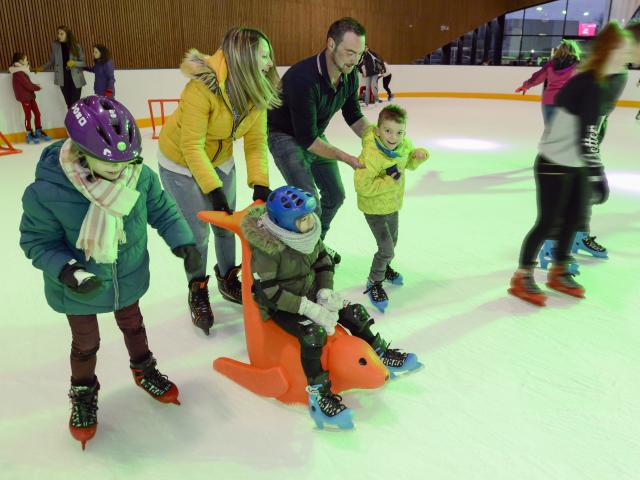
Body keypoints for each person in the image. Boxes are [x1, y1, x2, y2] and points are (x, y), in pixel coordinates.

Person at [19, 96, 201, 449]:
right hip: (78, 286)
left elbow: (161, 210)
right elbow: (36, 241)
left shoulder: (139, 175)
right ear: (81, 151)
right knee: (86, 344)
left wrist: (184, 243)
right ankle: (83, 393)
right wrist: (68, 271)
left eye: (125, 160)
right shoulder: (47, 192)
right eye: (108, 162)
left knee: (133, 324)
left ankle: (143, 370)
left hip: (127, 274)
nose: (120, 170)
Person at [241, 186, 422, 429]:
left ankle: (378, 351)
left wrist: (325, 291)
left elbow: (323, 262)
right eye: (303, 219)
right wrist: (305, 307)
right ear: (286, 224)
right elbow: (269, 292)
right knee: (313, 334)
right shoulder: (268, 251)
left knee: (354, 312)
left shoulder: (308, 235)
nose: (310, 221)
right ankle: (318, 391)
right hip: (282, 306)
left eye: (309, 215)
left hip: (311, 293)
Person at [158, 28, 280, 335]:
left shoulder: (258, 88)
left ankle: (228, 279)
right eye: (263, 56)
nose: (269, 62)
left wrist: (260, 183)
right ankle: (197, 287)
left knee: (226, 226)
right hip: (180, 164)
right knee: (197, 234)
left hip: (220, 160)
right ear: (244, 59)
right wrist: (213, 190)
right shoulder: (201, 89)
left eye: (268, 54)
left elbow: (255, 141)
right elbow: (191, 146)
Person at [508, 23, 635, 307]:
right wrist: (597, 174)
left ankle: (559, 269)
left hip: (576, 160)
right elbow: (586, 132)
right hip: (554, 160)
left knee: (575, 217)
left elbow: (592, 129)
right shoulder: (590, 80)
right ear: (615, 49)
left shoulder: (614, 76)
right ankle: (522, 274)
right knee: (549, 221)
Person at [267, 17, 370, 264]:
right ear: (331, 44)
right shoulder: (304, 78)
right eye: (349, 52)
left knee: (335, 195)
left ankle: (315, 248)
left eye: (359, 54)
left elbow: (354, 116)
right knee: (309, 205)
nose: (354, 60)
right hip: (285, 136)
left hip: (311, 134)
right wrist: (347, 158)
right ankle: (306, 257)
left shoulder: (349, 75)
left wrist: (380, 141)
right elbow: (307, 140)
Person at [354, 105, 428, 312]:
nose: (393, 137)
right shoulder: (371, 155)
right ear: (377, 131)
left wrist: (417, 156)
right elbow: (362, 186)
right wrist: (388, 180)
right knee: (386, 249)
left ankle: (384, 269)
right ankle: (374, 281)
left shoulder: (404, 146)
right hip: (374, 208)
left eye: (399, 132)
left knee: (392, 243)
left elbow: (408, 165)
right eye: (388, 131)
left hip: (392, 205)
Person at [515, 39, 581, 127]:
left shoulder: (550, 64)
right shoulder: (578, 66)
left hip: (549, 100)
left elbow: (537, 77)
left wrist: (526, 86)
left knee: (550, 131)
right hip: (567, 102)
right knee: (564, 132)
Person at [36, 25, 86, 108]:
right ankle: (72, 120)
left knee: (75, 104)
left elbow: (83, 63)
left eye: (61, 34)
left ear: (67, 34)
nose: (59, 35)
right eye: (58, 33)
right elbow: (52, 61)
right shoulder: (56, 45)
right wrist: (41, 68)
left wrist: (74, 63)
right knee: (69, 104)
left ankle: (74, 120)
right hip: (63, 78)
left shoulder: (76, 46)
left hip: (76, 78)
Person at [9, 52, 51, 144]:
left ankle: (38, 130)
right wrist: (37, 87)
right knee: (28, 116)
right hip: (25, 98)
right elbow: (27, 85)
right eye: (26, 59)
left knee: (37, 113)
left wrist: (35, 86)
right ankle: (29, 132)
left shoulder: (22, 70)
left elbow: (28, 84)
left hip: (30, 96)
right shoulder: (18, 72)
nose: (27, 61)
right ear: (20, 61)